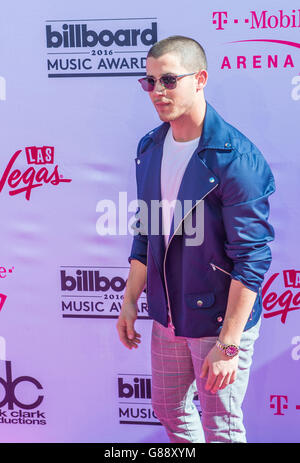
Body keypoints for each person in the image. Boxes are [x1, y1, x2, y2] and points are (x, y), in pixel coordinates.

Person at [116, 35, 275, 443]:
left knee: (221, 427)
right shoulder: (150, 147)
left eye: (169, 80)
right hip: (168, 316)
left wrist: (229, 344)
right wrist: (131, 299)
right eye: (149, 81)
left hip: (218, 322)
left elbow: (252, 259)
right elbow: (147, 231)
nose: (158, 92)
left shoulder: (236, 158)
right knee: (169, 413)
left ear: (200, 79)